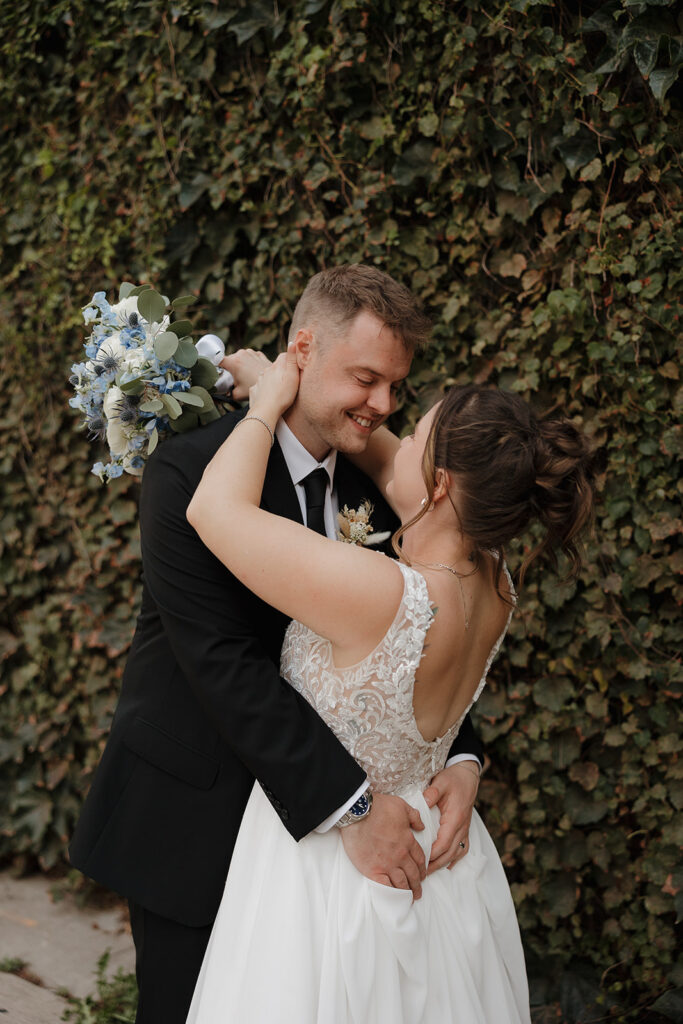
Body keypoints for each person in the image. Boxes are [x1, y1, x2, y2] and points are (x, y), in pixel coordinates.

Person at [69, 266, 486, 1024]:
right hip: (196, 817)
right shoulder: (190, 470)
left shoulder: (371, 491)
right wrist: (354, 810)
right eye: (365, 377)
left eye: (396, 386)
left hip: (316, 863)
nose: (383, 404)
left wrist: (458, 754)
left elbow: (424, 625)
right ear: (303, 349)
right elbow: (222, 661)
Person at [184, 352, 595, 1023]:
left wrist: (265, 406)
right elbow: (393, 469)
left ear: (437, 485)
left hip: (334, 871)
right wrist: (289, 384)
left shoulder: (380, 593)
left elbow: (213, 508)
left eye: (412, 435)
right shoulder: (493, 580)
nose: (392, 438)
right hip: (433, 847)